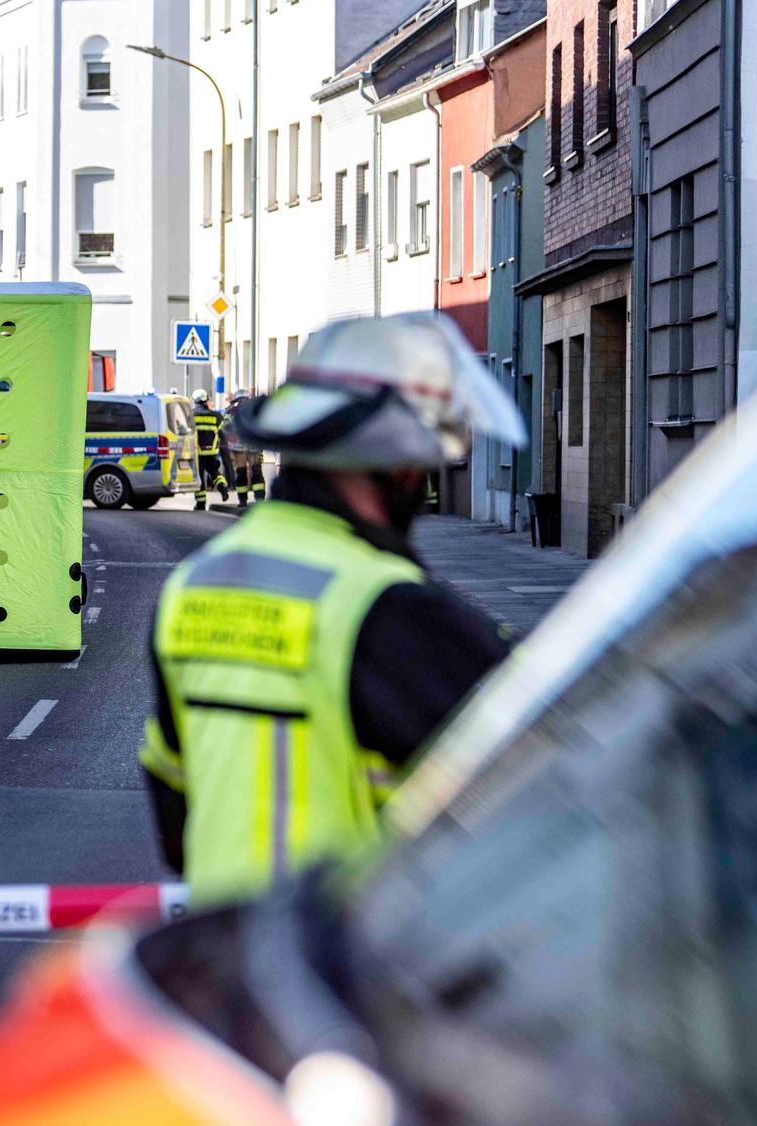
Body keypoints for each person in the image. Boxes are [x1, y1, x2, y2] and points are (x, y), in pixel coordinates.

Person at [137, 313, 524, 905]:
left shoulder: (194, 584)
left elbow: (175, 814)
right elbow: (525, 829)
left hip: (228, 945)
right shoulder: (392, 608)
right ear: (401, 466)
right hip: (357, 953)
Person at [221, 391, 267, 507]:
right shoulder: (255, 407)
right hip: (254, 445)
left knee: (241, 472)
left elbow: (224, 427)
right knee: (256, 471)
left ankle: (242, 501)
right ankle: (260, 500)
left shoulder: (232, 410)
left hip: (238, 446)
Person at [191, 388, 231, 510]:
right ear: (206, 400)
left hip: (197, 452)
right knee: (214, 472)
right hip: (212, 452)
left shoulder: (192, 415)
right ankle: (223, 488)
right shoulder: (216, 416)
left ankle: (201, 503)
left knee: (199, 477)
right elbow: (223, 432)